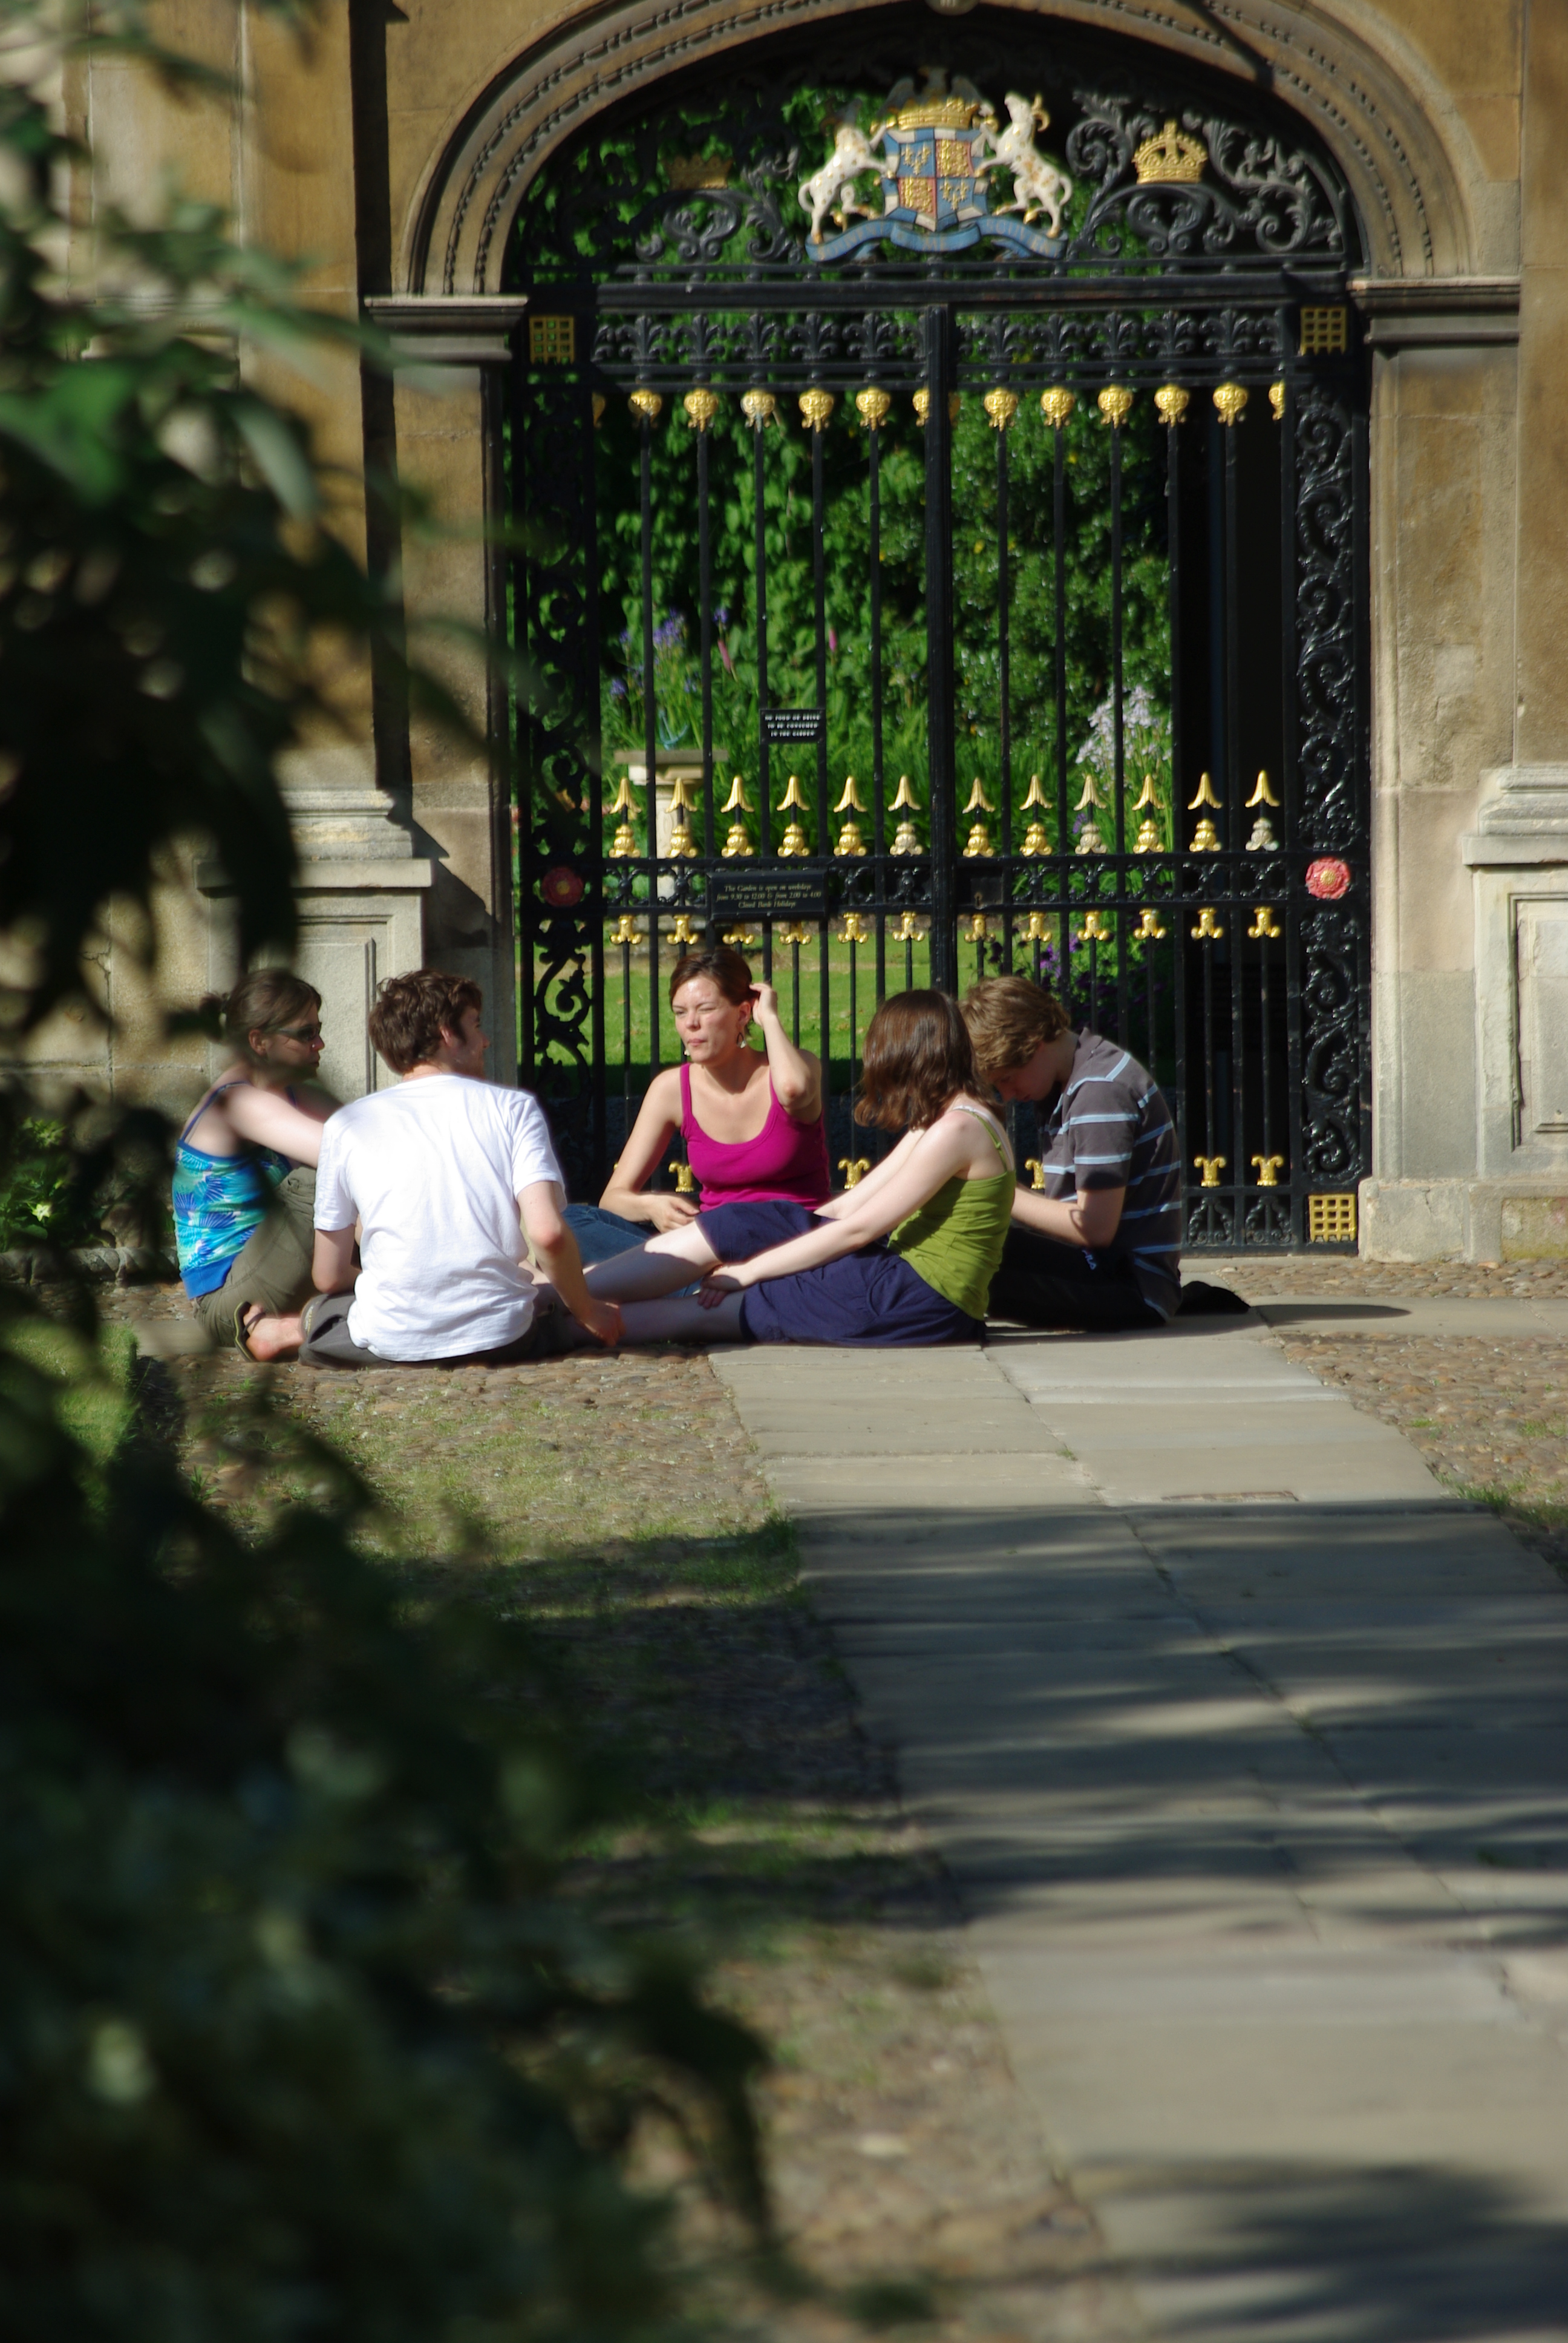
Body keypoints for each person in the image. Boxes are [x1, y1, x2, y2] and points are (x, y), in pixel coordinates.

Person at [572, 990, 1013, 1348]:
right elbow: (845, 1210)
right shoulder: (947, 1120)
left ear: (906, 1055)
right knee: (744, 1222)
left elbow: (858, 1231)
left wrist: (749, 1271)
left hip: (914, 1300)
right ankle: (565, 1295)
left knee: (717, 1309)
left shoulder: (956, 1130)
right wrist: (757, 1243)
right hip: (911, 1292)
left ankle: (558, 1318)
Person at [243, 969, 620, 1367]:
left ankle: (286, 1330)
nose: (486, 1040)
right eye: (475, 1026)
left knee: (327, 1311)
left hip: (393, 1341)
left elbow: (328, 1275)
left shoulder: (347, 1125)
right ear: (447, 1034)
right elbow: (547, 1232)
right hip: (503, 1337)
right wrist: (588, 1311)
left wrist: (401, 1285)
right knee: (543, 1306)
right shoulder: (514, 1108)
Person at [567, 943, 829, 1264]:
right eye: (680, 1013)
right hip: (715, 1251)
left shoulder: (797, 1067)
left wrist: (770, 1018)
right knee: (572, 1222)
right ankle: (693, 1285)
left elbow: (794, 1091)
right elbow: (613, 1199)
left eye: (705, 1010)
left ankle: (680, 1289)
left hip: (794, 1248)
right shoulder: (671, 1089)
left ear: (743, 1014)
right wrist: (652, 1206)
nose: (691, 1024)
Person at [961, 974, 1181, 1331]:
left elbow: (1094, 1227)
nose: (1007, 1094)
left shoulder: (1098, 1090)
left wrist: (999, 1190)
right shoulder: (1071, 1080)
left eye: (1008, 1078)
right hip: (1109, 1271)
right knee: (967, 1237)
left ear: (1035, 1046)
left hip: (1130, 1286)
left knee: (970, 1249)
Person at [172, 969, 338, 1354]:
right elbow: (350, 1155)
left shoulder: (292, 1093)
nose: (320, 1044)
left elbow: (368, 1135)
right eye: (305, 1034)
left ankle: (289, 1330)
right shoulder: (238, 1102)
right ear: (259, 1041)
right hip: (228, 1304)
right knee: (321, 1183)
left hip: (266, 1280)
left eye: (318, 1030)